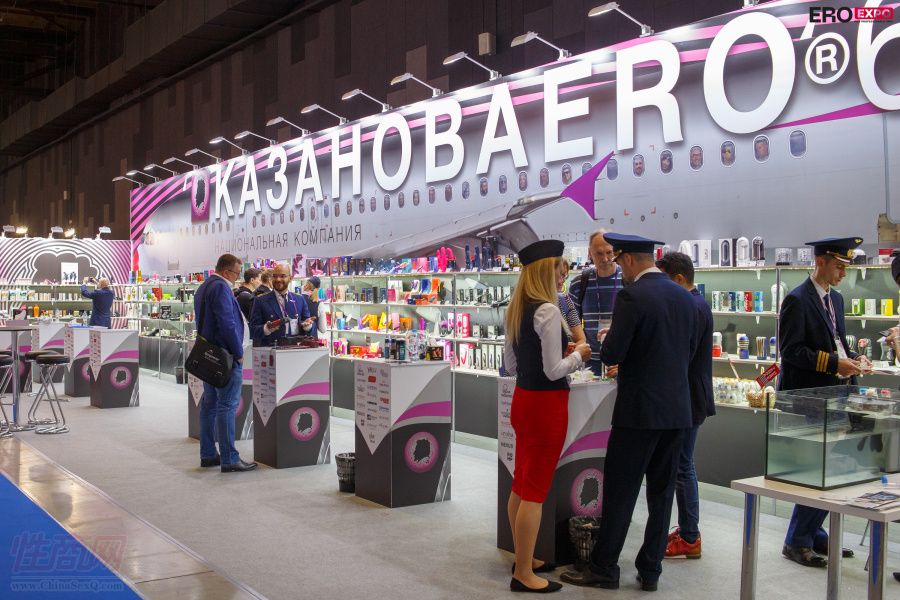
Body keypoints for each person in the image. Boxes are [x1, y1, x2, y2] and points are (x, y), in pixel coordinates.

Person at [561, 233, 697, 592]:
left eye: (620, 261)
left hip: (638, 412)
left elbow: (614, 353)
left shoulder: (632, 296)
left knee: (621, 492)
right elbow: (685, 351)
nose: (619, 268)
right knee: (662, 495)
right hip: (676, 411)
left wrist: (608, 338)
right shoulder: (685, 297)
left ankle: (604, 567)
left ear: (631, 260)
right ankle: (651, 570)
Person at [503, 239, 591, 593]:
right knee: (535, 490)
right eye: (559, 270)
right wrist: (579, 355)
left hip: (523, 400)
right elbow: (554, 370)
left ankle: (523, 558)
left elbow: (511, 366)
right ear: (545, 271)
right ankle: (524, 573)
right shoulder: (549, 311)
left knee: (522, 483)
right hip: (546, 406)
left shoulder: (516, 308)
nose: (562, 277)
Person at [778, 237, 866, 568]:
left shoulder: (836, 299)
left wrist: (853, 359)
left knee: (829, 469)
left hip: (835, 394)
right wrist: (833, 363)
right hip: (809, 397)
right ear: (820, 262)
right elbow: (791, 351)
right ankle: (797, 541)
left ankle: (813, 533)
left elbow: (836, 341)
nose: (843, 273)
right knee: (818, 469)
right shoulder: (797, 300)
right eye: (839, 266)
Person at [656, 252, 715, 559]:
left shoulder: (691, 307)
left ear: (679, 279)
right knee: (683, 464)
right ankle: (688, 530)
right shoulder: (697, 304)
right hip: (691, 395)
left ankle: (690, 535)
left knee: (682, 466)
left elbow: (682, 355)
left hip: (689, 397)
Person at [194, 253, 257, 473]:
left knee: (210, 404)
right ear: (226, 271)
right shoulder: (221, 287)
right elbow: (227, 323)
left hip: (209, 353)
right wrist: (238, 352)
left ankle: (208, 453)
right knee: (227, 405)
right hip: (225, 355)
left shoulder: (204, 287)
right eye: (236, 273)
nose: (238, 278)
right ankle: (229, 458)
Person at [568, 230, 622, 377]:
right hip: (589, 364)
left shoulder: (628, 280)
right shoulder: (579, 283)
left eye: (609, 252)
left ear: (616, 252)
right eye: (599, 253)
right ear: (590, 253)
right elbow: (571, 323)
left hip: (621, 363)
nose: (605, 258)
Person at [249, 263, 313, 346]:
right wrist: (266, 329)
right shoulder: (260, 300)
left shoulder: (299, 300)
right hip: (271, 350)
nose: (278, 279)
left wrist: (307, 326)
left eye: (282, 276)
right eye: (275, 276)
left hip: (294, 349)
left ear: (290, 278)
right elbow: (252, 330)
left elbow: (308, 323)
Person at [556, 260, 586, 347]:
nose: (562, 280)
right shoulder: (532, 305)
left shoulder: (564, 300)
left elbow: (581, 339)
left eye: (564, 275)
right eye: (559, 275)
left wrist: (571, 351)